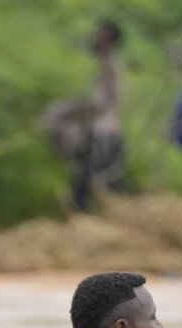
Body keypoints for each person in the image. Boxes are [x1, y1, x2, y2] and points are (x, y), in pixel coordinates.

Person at [72, 20, 124, 212]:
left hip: (103, 130)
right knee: (87, 180)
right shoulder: (101, 64)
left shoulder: (110, 65)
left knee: (94, 182)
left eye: (102, 36)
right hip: (99, 129)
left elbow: (106, 102)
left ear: (112, 41)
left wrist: (75, 111)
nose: (97, 39)